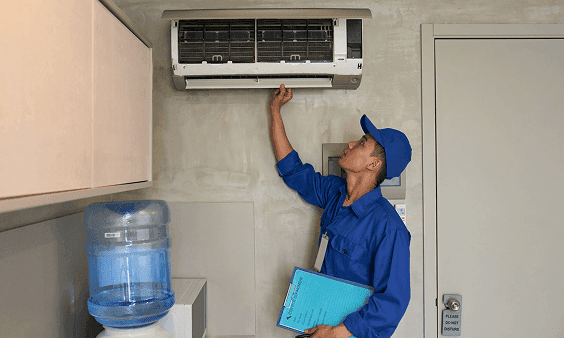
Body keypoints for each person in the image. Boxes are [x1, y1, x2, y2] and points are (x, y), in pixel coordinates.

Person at [269, 84, 411, 338]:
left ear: (373, 163)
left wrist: (335, 333)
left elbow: (392, 303)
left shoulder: (388, 227)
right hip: (316, 323)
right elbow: (293, 170)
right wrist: (275, 111)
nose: (350, 143)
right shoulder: (335, 193)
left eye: (362, 142)